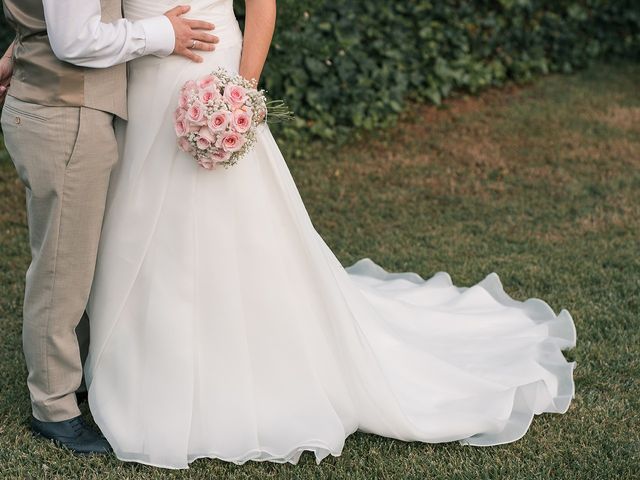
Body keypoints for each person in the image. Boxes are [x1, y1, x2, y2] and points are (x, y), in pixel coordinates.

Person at [81, 0, 577, 469]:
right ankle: (137, 363)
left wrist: (241, 96)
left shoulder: (229, 91)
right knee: (138, 217)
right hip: (141, 77)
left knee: (227, 225)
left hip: (213, 76)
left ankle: (236, 369)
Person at [0, 0, 219, 453]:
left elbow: (52, 22)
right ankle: (54, 409)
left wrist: (18, 52)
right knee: (62, 272)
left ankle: (71, 377)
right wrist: (162, 33)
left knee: (72, 262)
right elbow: (74, 39)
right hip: (64, 114)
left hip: (60, 107)